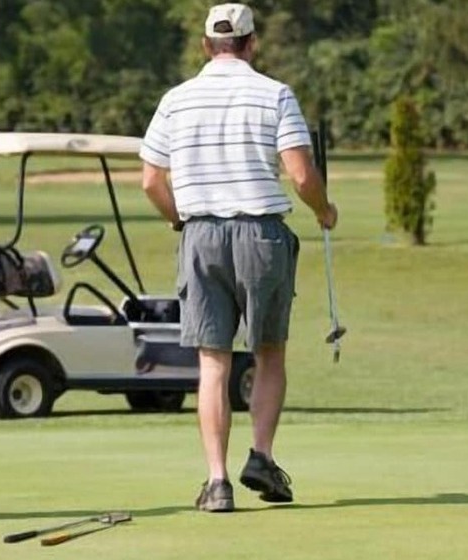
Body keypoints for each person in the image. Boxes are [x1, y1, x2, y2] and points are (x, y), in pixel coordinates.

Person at [139, 3, 338, 512]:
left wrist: (179, 219)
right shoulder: (275, 94)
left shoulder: (176, 100)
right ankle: (262, 457)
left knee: (213, 361)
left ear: (207, 46)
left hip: (201, 234)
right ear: (252, 44)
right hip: (261, 235)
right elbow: (299, 173)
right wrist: (325, 210)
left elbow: (150, 179)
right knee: (269, 351)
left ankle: (217, 481)